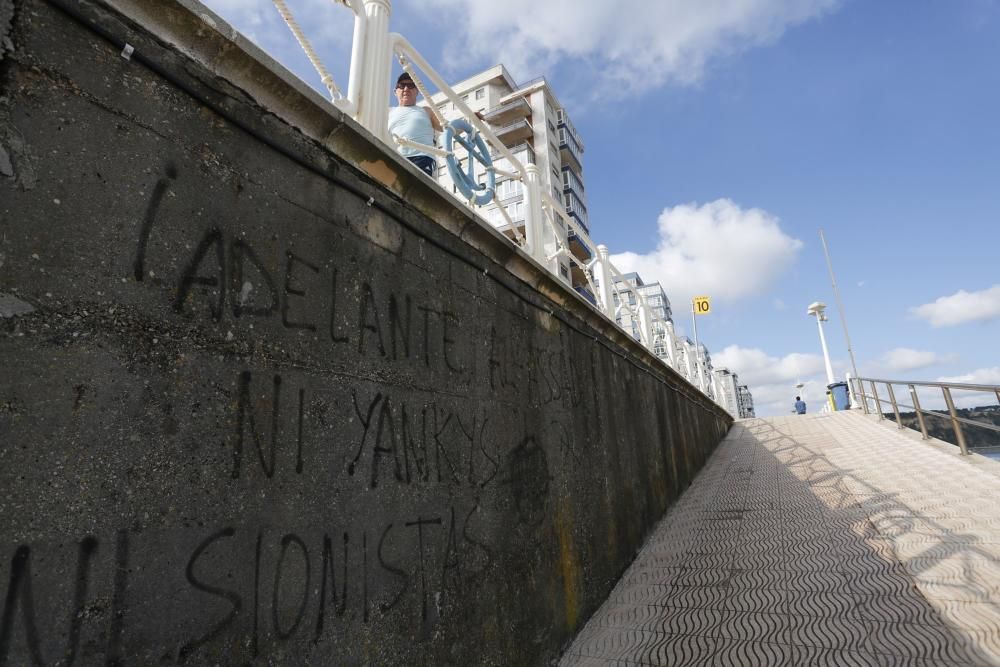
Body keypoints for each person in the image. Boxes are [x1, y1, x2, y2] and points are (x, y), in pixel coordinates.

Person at [388, 73, 442, 177]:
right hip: (394, 157)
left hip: (422, 158)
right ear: (395, 91)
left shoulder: (426, 111)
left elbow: (447, 128)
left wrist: (470, 118)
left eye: (411, 85)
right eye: (402, 86)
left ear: (417, 91)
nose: (406, 88)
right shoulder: (388, 112)